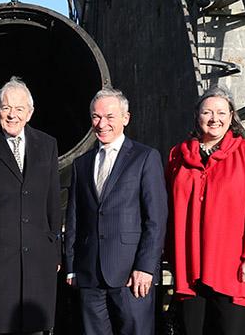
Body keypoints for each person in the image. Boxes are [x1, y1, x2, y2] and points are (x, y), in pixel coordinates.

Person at [165, 86, 245, 335]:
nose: (214, 119)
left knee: (230, 328)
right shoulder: (178, 155)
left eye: (221, 112)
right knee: (192, 328)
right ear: (197, 116)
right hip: (191, 265)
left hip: (233, 266)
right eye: (207, 112)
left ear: (231, 116)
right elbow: (168, 209)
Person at [64, 87, 167, 335]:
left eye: (110, 117)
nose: (102, 124)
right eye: (96, 117)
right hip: (89, 275)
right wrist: (71, 265)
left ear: (125, 118)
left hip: (132, 276)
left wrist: (146, 267)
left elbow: (156, 218)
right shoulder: (82, 163)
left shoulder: (145, 157)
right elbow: (74, 217)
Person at [0, 77, 61, 335]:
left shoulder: (47, 145)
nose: (12, 115)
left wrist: (55, 252)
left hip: (38, 264)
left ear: (29, 113)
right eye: (6, 108)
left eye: (19, 109)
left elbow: (53, 202)